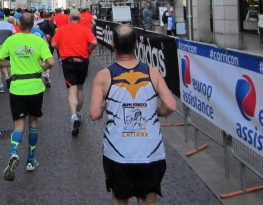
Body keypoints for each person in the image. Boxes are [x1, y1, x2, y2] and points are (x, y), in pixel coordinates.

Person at [90, 25, 177, 205]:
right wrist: (155, 111)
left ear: (112, 44)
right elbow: (171, 105)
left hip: (117, 150)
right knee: (147, 201)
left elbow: (94, 114)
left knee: (120, 199)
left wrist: (106, 106)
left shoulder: (103, 76)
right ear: (136, 44)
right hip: (150, 150)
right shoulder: (152, 72)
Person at [0, 13, 55, 181]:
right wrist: (42, 66)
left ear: (19, 25)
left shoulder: (11, 40)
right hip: (35, 87)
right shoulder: (39, 40)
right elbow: (51, 62)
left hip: (17, 88)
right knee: (33, 121)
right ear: (33, 24)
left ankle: (14, 152)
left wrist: (11, 63)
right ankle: (30, 159)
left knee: (19, 125)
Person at [51, 11, 97, 136]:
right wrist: (89, 50)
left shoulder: (61, 29)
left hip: (68, 61)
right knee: (80, 88)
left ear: (69, 19)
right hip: (82, 61)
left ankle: (73, 116)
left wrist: (61, 49)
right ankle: (79, 112)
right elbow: (94, 42)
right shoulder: (85, 29)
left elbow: (53, 43)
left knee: (72, 89)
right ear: (80, 20)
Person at [0, 11, 16, 92]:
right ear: (4, 17)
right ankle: (11, 81)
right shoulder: (10, 25)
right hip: (9, 48)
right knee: (9, 64)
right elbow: (14, 34)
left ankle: (1, 85)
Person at [36, 10, 56, 88]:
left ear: (42, 15)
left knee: (41, 59)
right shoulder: (53, 24)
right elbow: (55, 33)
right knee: (48, 58)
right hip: (50, 42)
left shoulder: (39, 25)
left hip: (42, 43)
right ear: (50, 15)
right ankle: (47, 74)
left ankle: (42, 73)